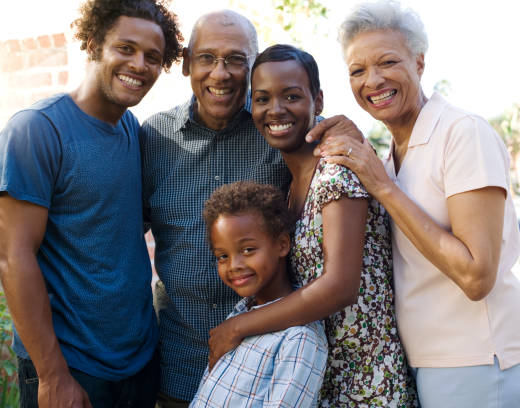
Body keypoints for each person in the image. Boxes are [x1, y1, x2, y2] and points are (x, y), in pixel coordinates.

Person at [308, 1, 520, 407]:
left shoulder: (462, 133)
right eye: (357, 70)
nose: (373, 80)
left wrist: (383, 188)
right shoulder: (391, 155)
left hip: (478, 362)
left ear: (419, 62)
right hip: (428, 362)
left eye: (387, 62)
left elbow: (476, 276)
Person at [207, 44, 419, 408]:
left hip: (367, 387)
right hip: (319, 383)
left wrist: (236, 328)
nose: (275, 110)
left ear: (317, 101)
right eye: (262, 99)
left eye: (291, 96)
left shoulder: (336, 172)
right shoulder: (290, 189)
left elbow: (339, 287)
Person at [0, 0, 183, 407]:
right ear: (94, 43)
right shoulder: (37, 130)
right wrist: (52, 375)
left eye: (153, 57)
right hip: (71, 368)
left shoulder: (132, 129)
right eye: (125, 48)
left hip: (138, 363)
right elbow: (14, 258)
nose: (139, 64)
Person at [139, 10, 291, 406]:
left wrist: (345, 131)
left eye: (236, 59)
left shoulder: (280, 130)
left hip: (270, 372)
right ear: (187, 63)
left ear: (253, 67)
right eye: (207, 58)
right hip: (179, 368)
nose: (220, 73)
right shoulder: (152, 138)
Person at [189, 181, 327, 408]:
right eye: (222, 256)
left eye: (248, 250)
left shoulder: (299, 339)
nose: (234, 265)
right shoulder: (240, 313)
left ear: (282, 245)